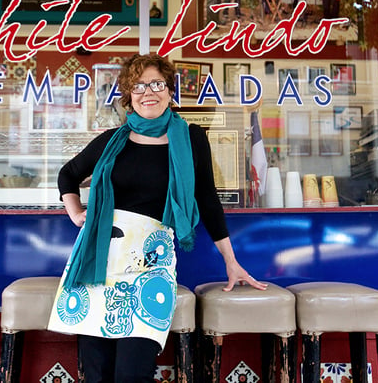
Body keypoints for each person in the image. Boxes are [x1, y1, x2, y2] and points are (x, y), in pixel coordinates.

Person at [48, 54, 266, 383]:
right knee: (98, 373)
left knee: (132, 373)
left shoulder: (191, 138)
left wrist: (231, 260)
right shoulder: (112, 141)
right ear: (128, 95)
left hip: (151, 266)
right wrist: (76, 212)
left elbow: (207, 201)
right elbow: (68, 175)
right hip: (99, 262)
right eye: (138, 85)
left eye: (156, 84)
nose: (148, 92)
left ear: (168, 90)